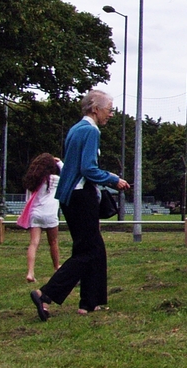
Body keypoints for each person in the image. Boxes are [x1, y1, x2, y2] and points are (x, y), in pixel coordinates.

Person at [29, 89, 130, 321]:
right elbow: (88, 169)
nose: (111, 115)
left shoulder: (76, 129)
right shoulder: (91, 131)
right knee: (88, 252)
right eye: (109, 110)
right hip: (80, 195)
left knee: (93, 249)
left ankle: (90, 302)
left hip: (69, 196)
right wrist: (114, 180)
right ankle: (45, 294)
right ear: (95, 109)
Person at [20, 153, 62, 283]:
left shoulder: (33, 180)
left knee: (33, 243)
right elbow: (66, 173)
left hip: (35, 214)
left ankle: (30, 272)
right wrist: (59, 162)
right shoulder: (54, 179)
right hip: (50, 214)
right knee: (53, 242)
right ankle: (56, 267)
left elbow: (28, 200)